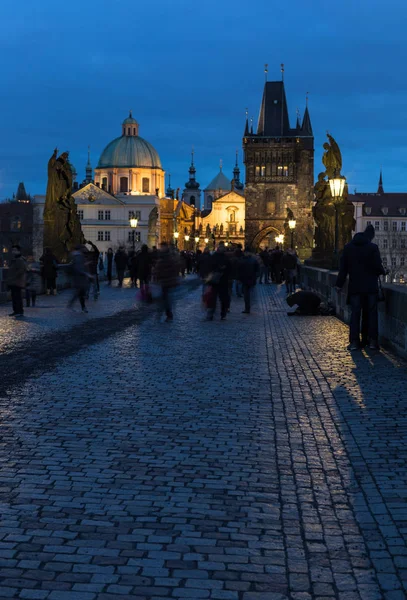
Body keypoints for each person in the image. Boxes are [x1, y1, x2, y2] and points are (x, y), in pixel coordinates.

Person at [336, 224, 385, 350]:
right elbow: (377, 267)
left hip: (355, 287)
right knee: (372, 314)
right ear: (371, 236)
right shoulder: (372, 248)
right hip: (370, 288)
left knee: (355, 314)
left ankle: (354, 342)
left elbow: (343, 270)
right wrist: (384, 271)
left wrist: (338, 285)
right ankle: (372, 341)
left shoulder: (348, 248)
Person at [154, 242, 179, 322]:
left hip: (168, 281)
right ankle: (164, 313)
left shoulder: (168, 257)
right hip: (162, 281)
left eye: (162, 247)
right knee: (163, 298)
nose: (161, 248)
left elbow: (173, 268)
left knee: (165, 299)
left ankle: (166, 314)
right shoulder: (161, 256)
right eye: (161, 247)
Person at [206, 242, 231, 321]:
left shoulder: (225, 257)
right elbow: (210, 267)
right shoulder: (214, 257)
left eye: (222, 247)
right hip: (215, 280)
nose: (221, 248)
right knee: (213, 298)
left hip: (223, 280)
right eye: (220, 247)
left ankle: (222, 313)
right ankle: (211, 314)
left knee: (222, 298)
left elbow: (230, 268)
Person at [67, 245, 91, 313]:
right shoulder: (78, 256)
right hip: (79, 278)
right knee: (79, 293)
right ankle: (75, 305)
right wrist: (86, 274)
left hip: (79, 277)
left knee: (80, 293)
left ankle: (81, 307)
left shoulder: (77, 256)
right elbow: (78, 268)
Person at [237, 247, 259, 314]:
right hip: (248, 279)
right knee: (248, 294)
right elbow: (257, 270)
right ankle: (248, 307)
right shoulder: (253, 260)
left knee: (248, 294)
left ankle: (248, 308)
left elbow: (239, 270)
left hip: (247, 279)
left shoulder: (243, 260)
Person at [7, 245, 26, 317]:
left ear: (19, 251)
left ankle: (19, 311)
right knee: (15, 297)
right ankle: (16, 311)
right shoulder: (16, 259)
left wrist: (13, 277)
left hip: (16, 281)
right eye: (12, 250)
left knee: (17, 297)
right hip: (14, 281)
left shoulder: (19, 259)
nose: (13, 252)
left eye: (15, 250)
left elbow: (21, 270)